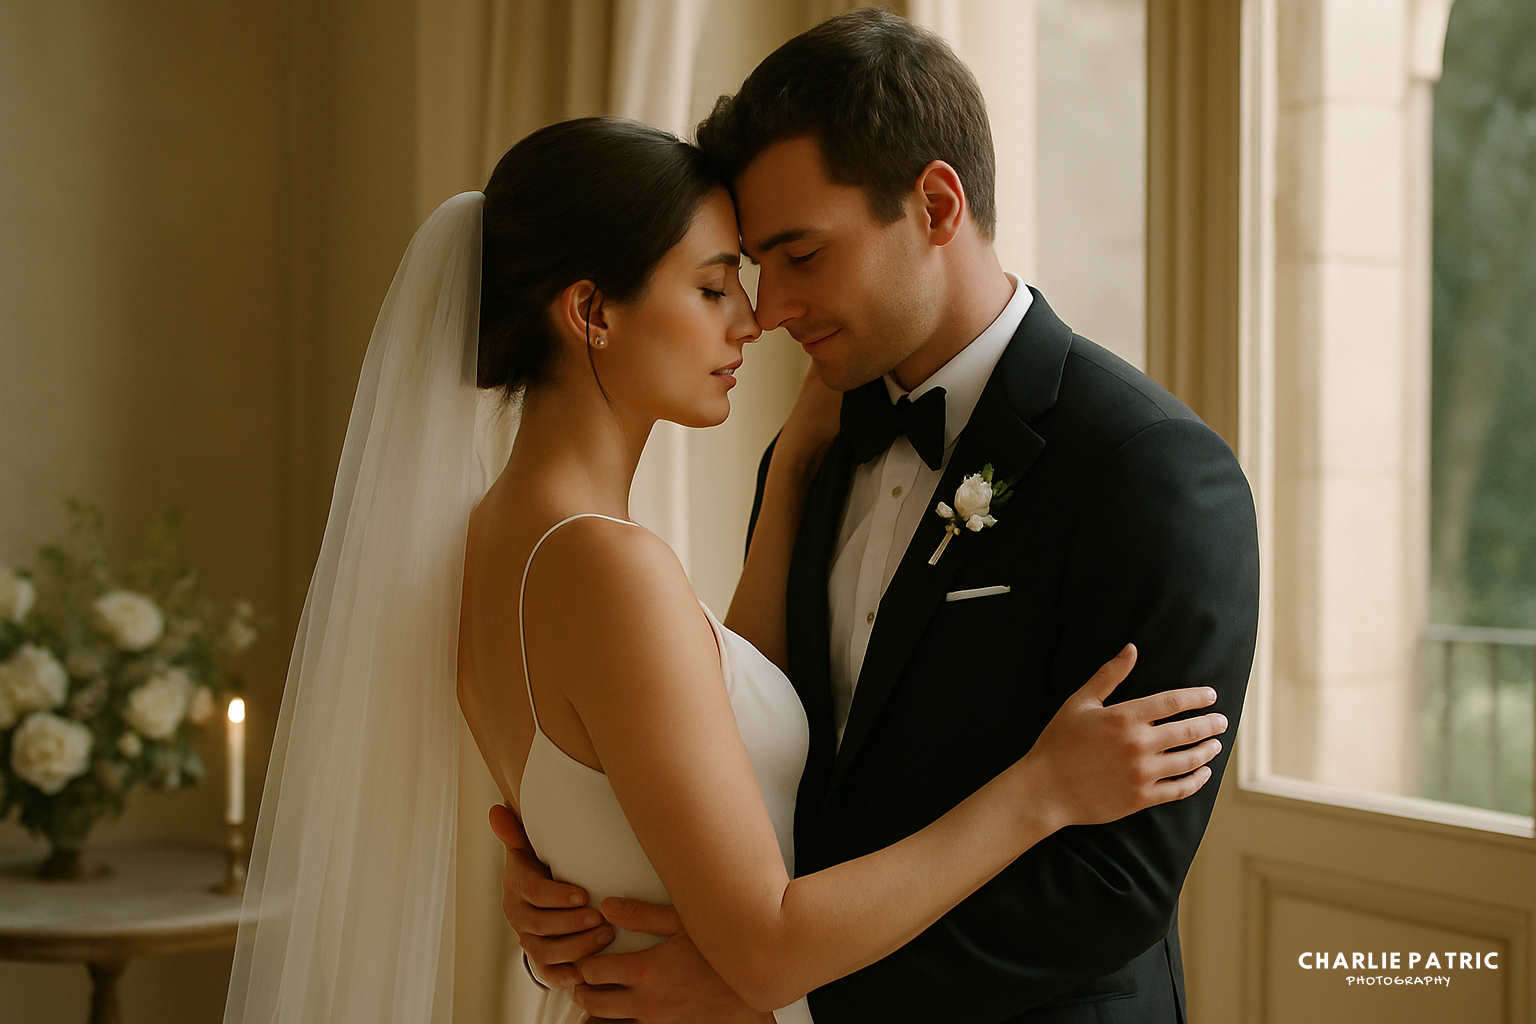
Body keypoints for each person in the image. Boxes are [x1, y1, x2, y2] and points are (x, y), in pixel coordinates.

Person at [223, 110, 1226, 1023]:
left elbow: (686, 728)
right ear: (592, 312)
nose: (753, 320)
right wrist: (1041, 789)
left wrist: (789, 479)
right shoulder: (605, 566)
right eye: (713, 287)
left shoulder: (487, 539)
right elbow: (768, 943)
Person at [497, 10, 1260, 1024]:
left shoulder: (1151, 471)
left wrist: (785, 992)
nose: (767, 311)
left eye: (801, 255)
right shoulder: (809, 449)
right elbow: (742, 747)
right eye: (752, 267)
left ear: (937, 204)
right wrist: (587, 866)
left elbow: (1110, 890)